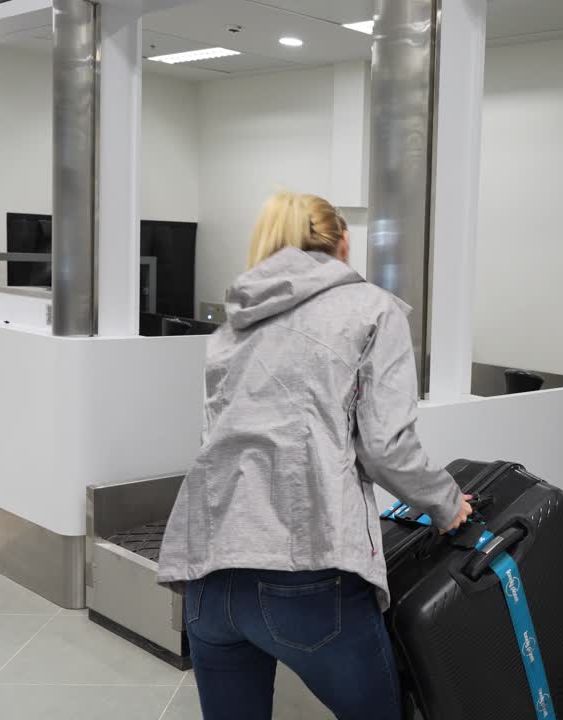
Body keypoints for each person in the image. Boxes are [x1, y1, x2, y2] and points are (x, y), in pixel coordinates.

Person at [157, 191, 473, 720]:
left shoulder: (230, 328)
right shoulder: (372, 309)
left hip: (208, 572)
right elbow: (385, 447)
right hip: (305, 573)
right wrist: (444, 502)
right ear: (343, 242)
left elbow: (218, 439)